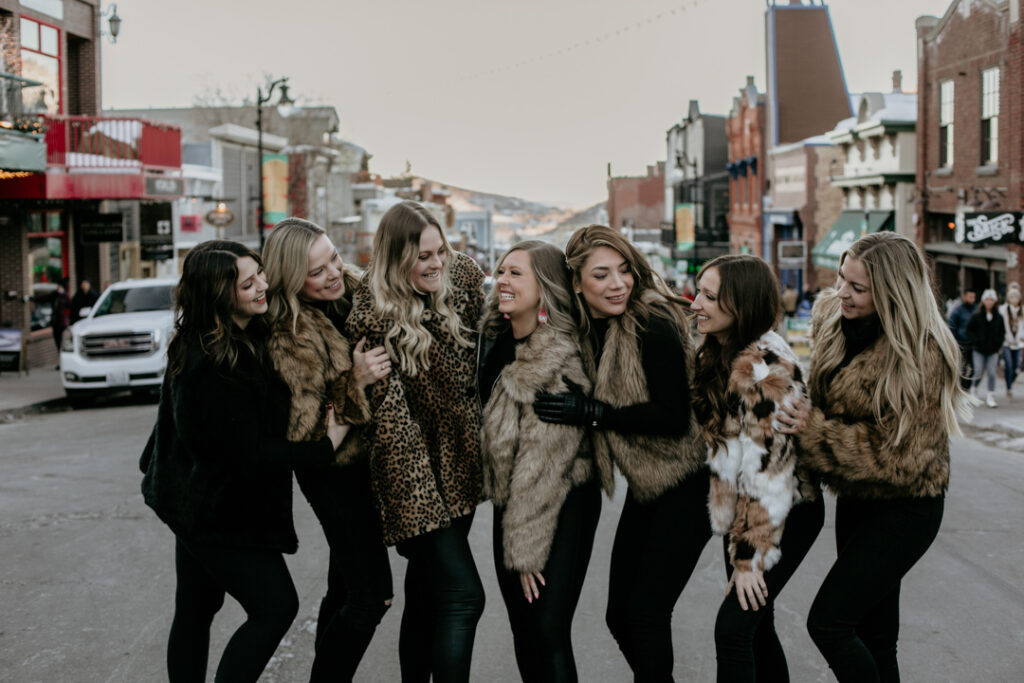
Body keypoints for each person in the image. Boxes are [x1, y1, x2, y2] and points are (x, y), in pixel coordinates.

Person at [140, 240, 348, 683]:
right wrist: (326, 445)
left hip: (193, 500)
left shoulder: (239, 336)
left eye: (261, 275)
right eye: (248, 282)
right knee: (276, 607)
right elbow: (246, 454)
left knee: (196, 609)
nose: (263, 287)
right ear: (218, 294)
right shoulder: (209, 362)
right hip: (213, 509)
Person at [532, 224, 708, 680]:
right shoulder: (593, 327)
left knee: (645, 616)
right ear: (577, 283)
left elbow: (672, 416)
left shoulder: (652, 320)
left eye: (624, 271)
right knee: (620, 616)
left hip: (689, 483)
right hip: (649, 485)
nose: (618, 284)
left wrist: (593, 413)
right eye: (602, 275)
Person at [798, 231, 973, 682]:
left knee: (830, 623)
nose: (842, 293)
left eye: (858, 288)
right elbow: (818, 393)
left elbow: (897, 458)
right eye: (841, 279)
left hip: (907, 507)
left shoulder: (923, 352)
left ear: (893, 293)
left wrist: (810, 431)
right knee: (876, 636)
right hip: (856, 498)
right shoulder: (830, 317)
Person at [345, 200, 486, 682]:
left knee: (427, 596)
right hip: (413, 485)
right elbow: (388, 426)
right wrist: (422, 509)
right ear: (395, 258)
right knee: (464, 596)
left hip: (462, 473)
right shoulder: (372, 315)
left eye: (439, 250)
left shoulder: (463, 281)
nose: (436, 263)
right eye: (422, 256)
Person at [262, 218, 394, 682]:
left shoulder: (356, 291)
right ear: (291, 279)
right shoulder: (289, 332)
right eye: (317, 271)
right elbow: (306, 430)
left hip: (366, 467)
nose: (334, 272)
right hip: (333, 474)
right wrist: (355, 382)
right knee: (371, 595)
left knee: (344, 589)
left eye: (334, 258)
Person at [691, 254, 824, 682]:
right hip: (746, 514)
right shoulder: (722, 351)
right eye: (699, 292)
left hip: (781, 515)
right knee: (755, 629)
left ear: (740, 307)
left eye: (709, 297)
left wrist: (749, 558)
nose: (696, 303)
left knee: (733, 629)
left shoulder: (763, 370)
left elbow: (771, 475)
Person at [479, 241, 606, 682]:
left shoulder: (557, 359)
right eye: (501, 271)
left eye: (516, 274)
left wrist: (527, 548)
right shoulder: (495, 343)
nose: (503, 281)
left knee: (548, 630)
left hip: (560, 503)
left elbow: (545, 464)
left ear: (545, 288)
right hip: (511, 503)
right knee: (523, 627)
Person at [966, 288, 1005, 408]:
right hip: (978, 349)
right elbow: (969, 330)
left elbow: (1002, 332)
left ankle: (990, 396)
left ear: (994, 302)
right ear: (984, 301)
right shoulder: (977, 315)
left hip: (992, 350)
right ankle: (974, 389)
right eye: (987, 299)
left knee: (992, 373)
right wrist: (976, 341)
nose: (989, 302)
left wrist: (997, 344)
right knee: (978, 370)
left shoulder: (998, 317)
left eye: (991, 300)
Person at [947, 289, 976, 390]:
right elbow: (951, 325)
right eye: (970, 297)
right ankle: (961, 387)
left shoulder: (976, 310)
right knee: (962, 367)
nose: (972, 299)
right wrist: (955, 340)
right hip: (961, 343)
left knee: (973, 368)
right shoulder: (957, 310)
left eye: (973, 297)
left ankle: (967, 387)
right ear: (964, 297)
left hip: (973, 344)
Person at [999, 283, 1023, 401]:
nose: (1014, 299)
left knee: (1017, 367)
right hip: (1007, 342)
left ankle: (1010, 382)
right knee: (1009, 364)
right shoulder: (1003, 310)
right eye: (1012, 297)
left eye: (1016, 297)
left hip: (1018, 343)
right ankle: (1009, 387)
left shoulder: (1022, 311)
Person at [52, 279, 70, 356]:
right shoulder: (54, 295)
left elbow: (71, 306)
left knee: (63, 342)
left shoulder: (65, 296)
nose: (58, 287)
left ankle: (64, 358)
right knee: (57, 342)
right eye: (57, 286)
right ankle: (60, 358)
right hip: (55, 322)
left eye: (59, 286)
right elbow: (44, 298)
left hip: (63, 323)